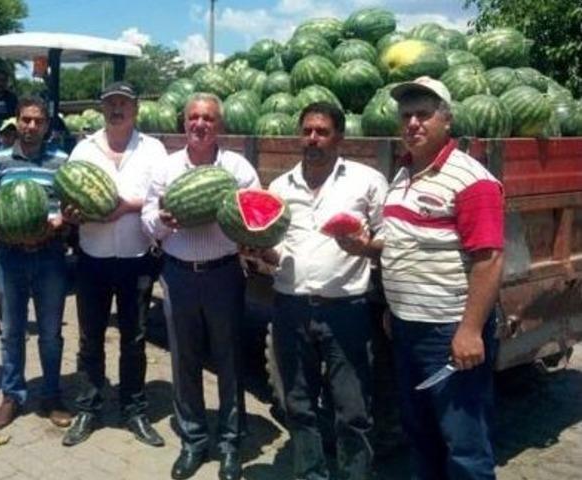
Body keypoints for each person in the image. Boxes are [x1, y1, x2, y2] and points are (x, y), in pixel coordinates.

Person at [379, 77, 504, 479]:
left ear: (446, 121)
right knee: (421, 434)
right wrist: (392, 306)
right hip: (406, 327)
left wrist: (469, 331)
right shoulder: (402, 175)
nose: (413, 123)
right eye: (406, 115)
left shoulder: (472, 179)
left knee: (464, 444)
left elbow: (489, 260)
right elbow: (404, 245)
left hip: (447, 331)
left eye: (424, 114)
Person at [255, 102, 388, 480]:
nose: (313, 139)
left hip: (346, 309)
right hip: (290, 307)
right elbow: (274, 247)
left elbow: (387, 238)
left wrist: (365, 246)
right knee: (298, 405)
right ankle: (310, 474)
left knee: (353, 409)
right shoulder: (280, 187)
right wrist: (262, 251)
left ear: (339, 137)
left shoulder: (366, 180)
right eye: (307, 131)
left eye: (322, 131)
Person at [142, 93, 259, 480]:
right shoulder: (167, 168)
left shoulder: (237, 167)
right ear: (184, 123)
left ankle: (229, 444)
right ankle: (193, 441)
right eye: (194, 117)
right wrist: (164, 221)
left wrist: (234, 220)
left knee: (229, 360)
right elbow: (147, 218)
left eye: (208, 118)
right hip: (178, 274)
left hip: (224, 272)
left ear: (219, 125)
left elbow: (253, 211)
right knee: (185, 361)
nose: (200, 124)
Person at [61, 81, 165, 449]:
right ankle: (88, 408)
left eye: (123, 103)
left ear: (136, 108)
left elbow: (161, 198)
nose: (116, 109)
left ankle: (133, 409)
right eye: (110, 103)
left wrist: (126, 207)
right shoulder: (83, 150)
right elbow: (67, 199)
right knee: (90, 338)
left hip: (137, 260)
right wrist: (71, 214)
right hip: (92, 258)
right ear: (102, 109)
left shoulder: (153, 149)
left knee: (134, 339)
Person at [0, 96, 72, 431]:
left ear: (47, 125)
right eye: (26, 120)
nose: (31, 126)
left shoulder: (61, 161)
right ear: (17, 121)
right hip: (10, 255)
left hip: (49, 254)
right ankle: (12, 396)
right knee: (12, 331)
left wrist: (61, 220)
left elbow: (72, 204)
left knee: (50, 333)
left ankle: (51, 395)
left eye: (38, 121)